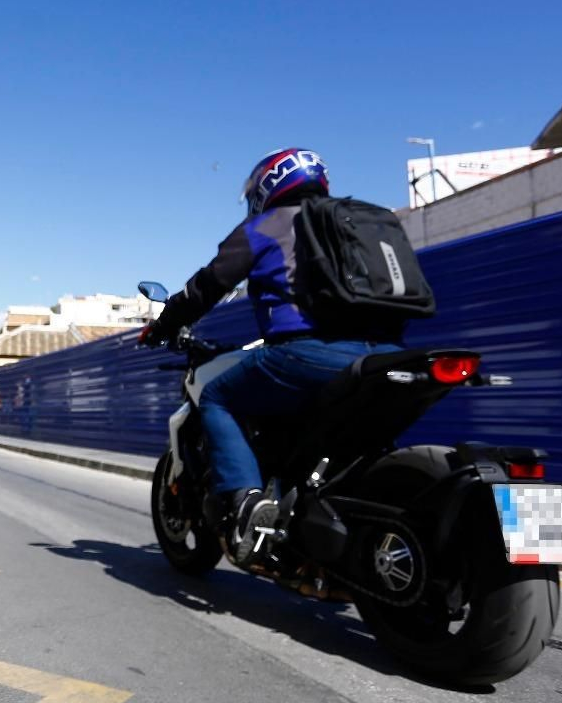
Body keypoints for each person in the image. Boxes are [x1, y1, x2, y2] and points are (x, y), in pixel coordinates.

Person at [138, 148, 403, 556]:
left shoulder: (268, 225)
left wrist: (163, 325)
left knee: (217, 398)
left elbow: (207, 286)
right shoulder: (360, 224)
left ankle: (247, 503)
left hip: (309, 354)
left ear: (267, 185)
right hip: (388, 356)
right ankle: (518, 546)